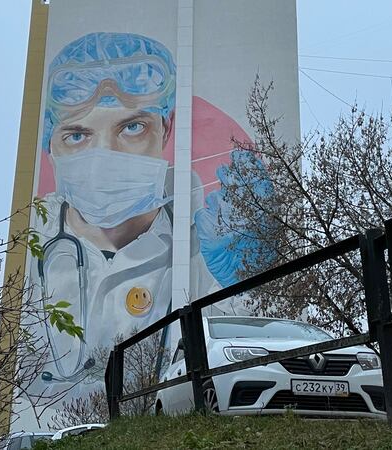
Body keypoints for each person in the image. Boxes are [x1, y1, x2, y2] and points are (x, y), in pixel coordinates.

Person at [22, 32, 273, 411]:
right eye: (77, 135)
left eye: (132, 127)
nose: (104, 154)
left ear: (166, 130)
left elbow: (246, 367)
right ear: (50, 145)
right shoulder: (30, 244)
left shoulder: (210, 244)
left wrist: (246, 283)